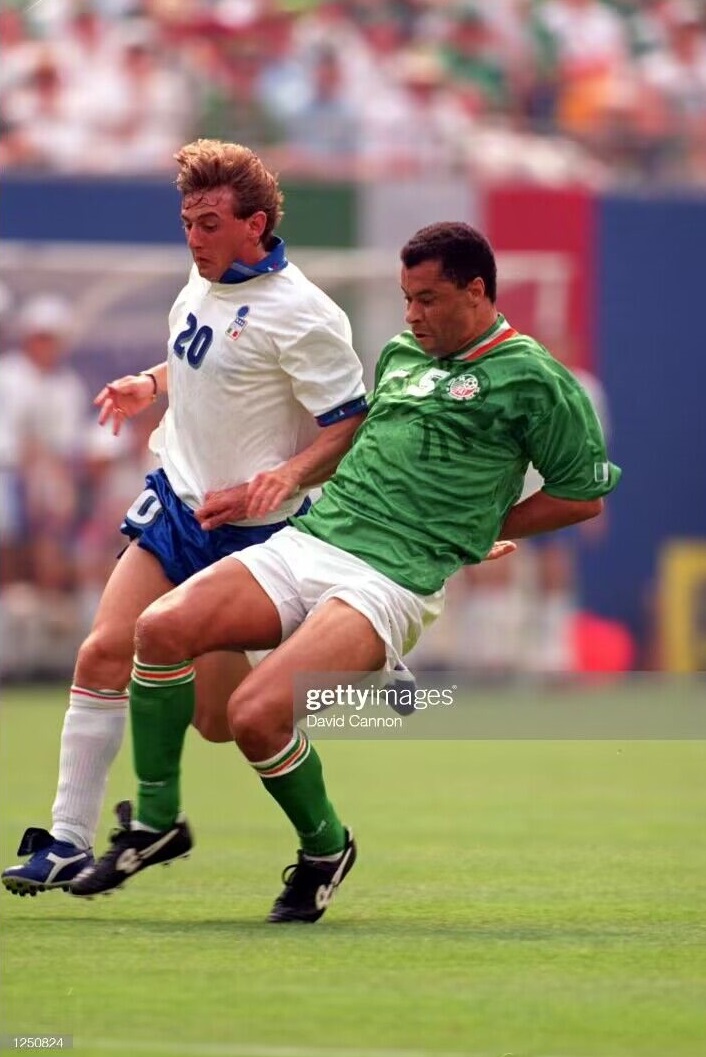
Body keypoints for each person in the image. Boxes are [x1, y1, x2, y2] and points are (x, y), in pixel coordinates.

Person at [70, 222, 621, 922]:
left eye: (427, 299)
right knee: (159, 628)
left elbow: (582, 493)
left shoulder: (536, 379)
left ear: (476, 291)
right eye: (406, 298)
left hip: (388, 580)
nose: (412, 315)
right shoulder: (399, 355)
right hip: (313, 539)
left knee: (253, 715)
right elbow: (356, 445)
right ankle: (156, 823)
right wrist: (281, 478)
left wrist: (478, 529)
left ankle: (325, 849)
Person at [2, 138, 367, 897]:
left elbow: (349, 424)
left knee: (224, 720)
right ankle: (68, 838)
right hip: (177, 503)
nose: (194, 239)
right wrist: (150, 381)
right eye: (188, 223)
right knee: (103, 651)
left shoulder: (306, 314)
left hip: (254, 535)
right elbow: (204, 355)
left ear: (254, 224)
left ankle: (325, 835)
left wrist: (284, 477)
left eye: (209, 224)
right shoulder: (201, 281)